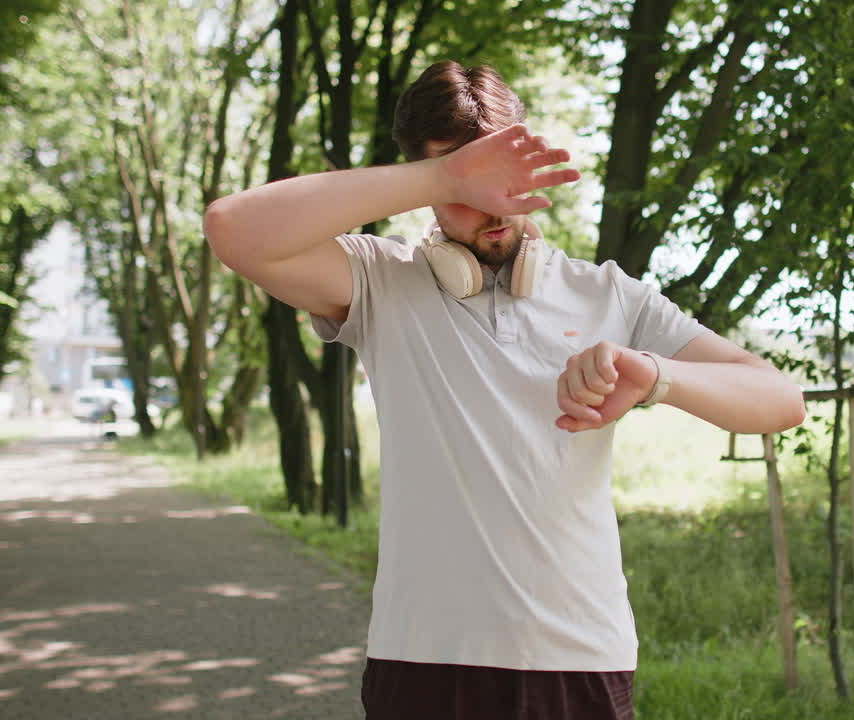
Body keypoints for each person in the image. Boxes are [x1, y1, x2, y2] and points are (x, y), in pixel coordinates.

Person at [205, 61, 806, 720]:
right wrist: (442, 176)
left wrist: (655, 376)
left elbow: (780, 399)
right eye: (468, 186)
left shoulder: (607, 293)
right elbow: (233, 229)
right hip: (424, 662)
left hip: (583, 659)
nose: (493, 205)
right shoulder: (380, 282)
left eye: (503, 179)